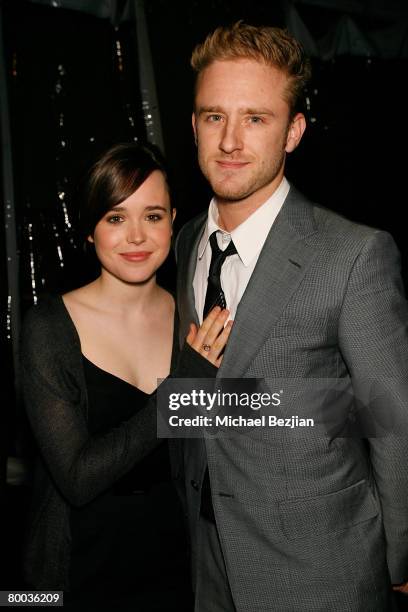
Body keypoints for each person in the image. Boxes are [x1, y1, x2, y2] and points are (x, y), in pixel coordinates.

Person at [174, 21, 408, 611]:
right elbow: (192, 409)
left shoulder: (354, 254)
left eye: (256, 119)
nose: (230, 141)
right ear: (194, 126)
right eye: (213, 116)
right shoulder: (183, 244)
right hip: (205, 565)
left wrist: (401, 559)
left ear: (294, 131)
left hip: (320, 570)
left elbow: (388, 415)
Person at [20, 142, 232, 610]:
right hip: (74, 577)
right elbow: (77, 478)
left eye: (152, 216)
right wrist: (182, 392)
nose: (136, 236)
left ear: (174, 220)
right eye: (116, 218)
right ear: (90, 230)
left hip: (180, 568)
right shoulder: (49, 328)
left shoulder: (192, 319)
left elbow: (235, 433)